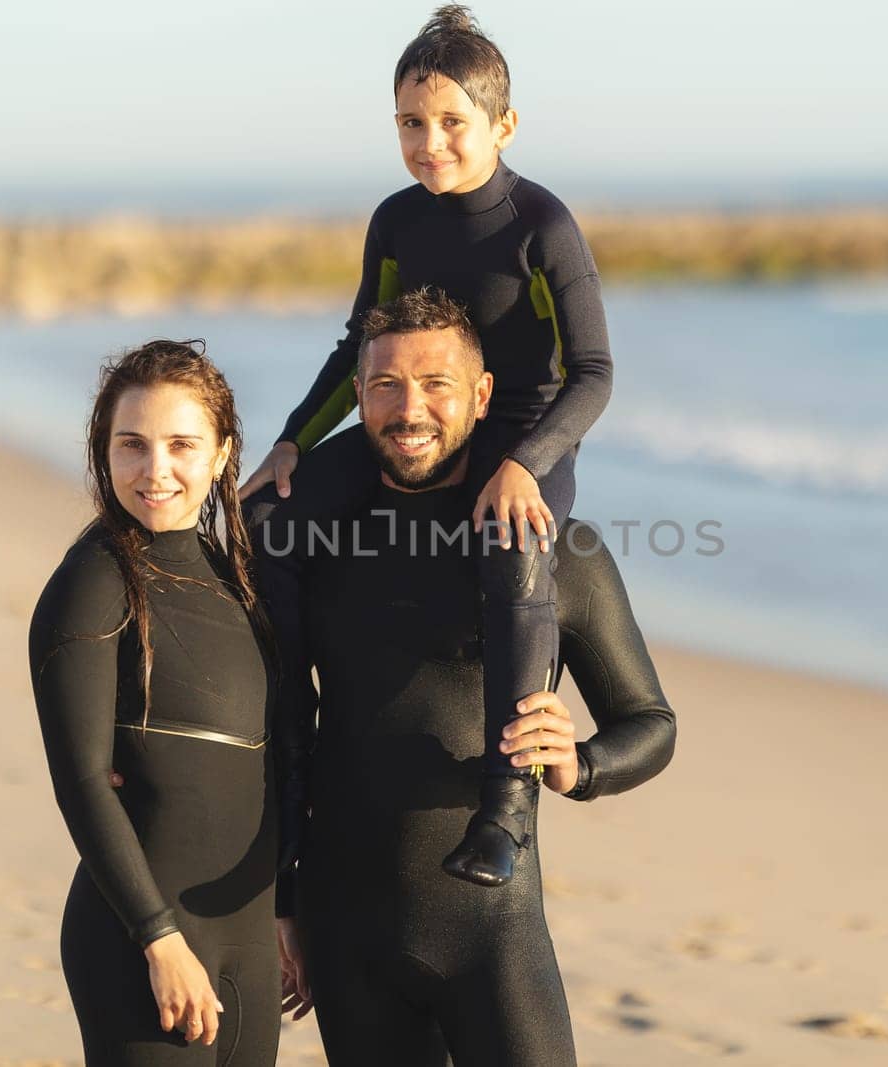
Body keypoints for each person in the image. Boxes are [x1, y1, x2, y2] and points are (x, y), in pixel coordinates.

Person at [241, 4, 614, 888]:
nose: (430, 141)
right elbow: (360, 345)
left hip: (523, 434)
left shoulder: (542, 226)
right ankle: (289, 734)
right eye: (412, 122)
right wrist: (294, 439)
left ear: (503, 124)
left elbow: (594, 372)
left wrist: (527, 462)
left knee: (511, 543)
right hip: (410, 427)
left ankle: (506, 804)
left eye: (453, 121)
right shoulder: (397, 221)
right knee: (266, 514)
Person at [258, 290, 674, 1065]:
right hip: (346, 933)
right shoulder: (312, 549)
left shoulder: (556, 551)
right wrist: (284, 904)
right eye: (384, 385)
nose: (408, 409)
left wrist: (579, 763)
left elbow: (651, 724)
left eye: (435, 383)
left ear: (482, 397)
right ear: (357, 395)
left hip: (493, 936)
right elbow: (270, 720)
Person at [28, 340, 279, 1065]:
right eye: (132, 444)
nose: (156, 470)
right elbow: (81, 783)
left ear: (223, 451)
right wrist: (158, 937)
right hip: (141, 939)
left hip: (250, 941)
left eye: (181, 444)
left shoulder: (237, 576)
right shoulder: (93, 582)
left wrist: (289, 914)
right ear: (102, 450)